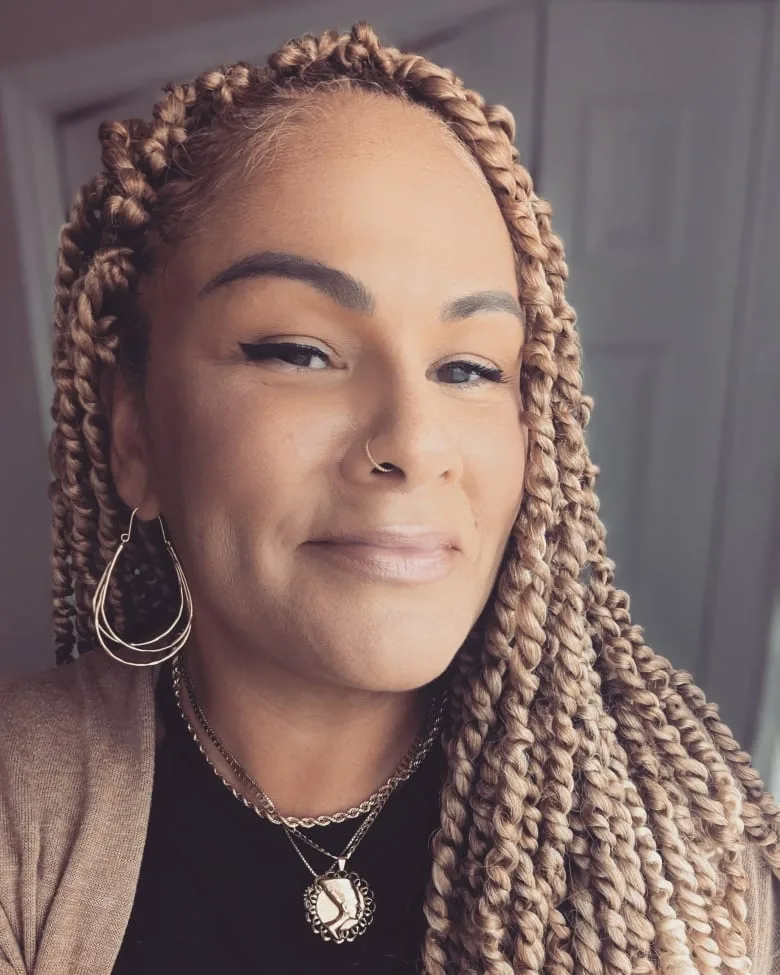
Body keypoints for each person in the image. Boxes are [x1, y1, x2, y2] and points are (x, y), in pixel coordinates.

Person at [0, 20, 778, 975]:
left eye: (469, 366)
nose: (413, 443)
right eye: (298, 351)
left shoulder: (691, 855)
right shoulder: (19, 804)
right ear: (135, 435)